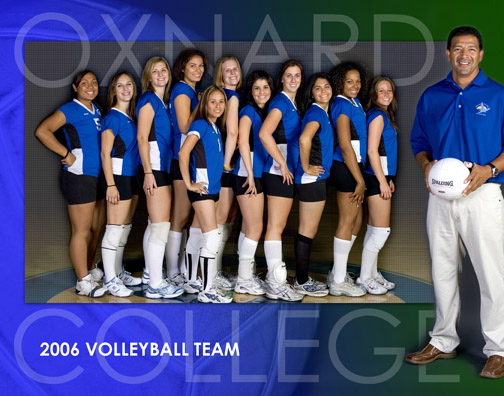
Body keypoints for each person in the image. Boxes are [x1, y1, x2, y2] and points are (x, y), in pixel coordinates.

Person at [407, 26, 504, 379]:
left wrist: (490, 168)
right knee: (443, 271)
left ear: (480, 55)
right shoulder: (432, 95)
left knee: (493, 274)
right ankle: (444, 340)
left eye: (472, 49)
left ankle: (498, 349)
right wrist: (426, 166)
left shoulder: (497, 95)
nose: (464, 54)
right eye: (457, 49)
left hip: (484, 195)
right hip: (441, 199)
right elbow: (419, 141)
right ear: (448, 54)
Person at [35, 70, 107, 298]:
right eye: (84, 82)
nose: (90, 86)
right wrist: (66, 153)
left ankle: (88, 269)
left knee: (97, 228)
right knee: (81, 231)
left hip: (99, 176)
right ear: (75, 88)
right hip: (79, 175)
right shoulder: (70, 109)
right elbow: (42, 131)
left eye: (94, 82)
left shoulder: (98, 110)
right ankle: (82, 282)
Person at [179, 86, 232, 303]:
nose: (218, 106)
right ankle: (208, 290)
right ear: (204, 104)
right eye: (213, 102)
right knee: (212, 236)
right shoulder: (200, 124)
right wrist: (189, 184)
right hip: (203, 190)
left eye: (221, 102)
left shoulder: (215, 127)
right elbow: (184, 152)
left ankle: (191, 280)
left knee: (197, 234)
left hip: (213, 189)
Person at [137, 57, 183, 299]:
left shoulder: (163, 103)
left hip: (161, 167)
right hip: (153, 168)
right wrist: (147, 171)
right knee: (160, 226)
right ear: (149, 76)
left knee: (153, 224)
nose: (160, 74)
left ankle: (149, 274)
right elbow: (142, 137)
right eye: (154, 71)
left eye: (163, 70)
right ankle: (156, 284)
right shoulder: (147, 100)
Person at [259, 59, 305, 301]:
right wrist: (283, 163)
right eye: (289, 75)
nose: (294, 79)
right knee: (275, 227)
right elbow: (265, 133)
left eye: (297, 75)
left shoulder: (291, 103)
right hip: (277, 173)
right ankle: (276, 284)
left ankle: (273, 279)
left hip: (284, 173)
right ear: (282, 79)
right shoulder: (279, 102)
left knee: (277, 227)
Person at [326, 61, 368, 297]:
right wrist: (359, 180)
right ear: (340, 83)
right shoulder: (341, 105)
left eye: (358, 81)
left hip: (356, 166)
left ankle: (337, 272)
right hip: (345, 168)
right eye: (349, 81)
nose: (355, 85)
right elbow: (344, 145)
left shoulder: (356, 102)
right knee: (347, 221)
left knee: (356, 221)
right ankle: (339, 281)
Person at [100, 71, 142, 297]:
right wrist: (110, 184)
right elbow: (105, 154)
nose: (125, 89)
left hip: (131, 177)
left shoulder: (130, 117)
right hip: (117, 177)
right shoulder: (112, 117)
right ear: (113, 90)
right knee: (114, 229)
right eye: (120, 86)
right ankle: (110, 279)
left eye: (129, 85)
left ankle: (116, 271)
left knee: (124, 228)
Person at [292, 73, 334, 297]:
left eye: (327, 86)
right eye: (318, 88)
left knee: (309, 230)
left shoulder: (323, 114)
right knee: (307, 230)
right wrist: (307, 166)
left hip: (316, 178)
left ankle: (302, 278)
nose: (324, 91)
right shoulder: (316, 112)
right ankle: (300, 281)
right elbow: (304, 139)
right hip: (311, 178)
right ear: (311, 93)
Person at [168, 49, 207, 293]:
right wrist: (201, 104)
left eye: (201, 66)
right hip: (179, 160)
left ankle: (183, 270)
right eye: (192, 65)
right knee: (180, 217)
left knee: (189, 218)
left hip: (192, 162)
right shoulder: (182, 90)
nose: (198, 70)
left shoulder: (191, 91)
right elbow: (184, 126)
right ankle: (172, 272)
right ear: (182, 68)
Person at [231, 70, 273, 295]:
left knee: (249, 227)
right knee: (256, 228)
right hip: (247, 175)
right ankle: (244, 280)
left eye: (265, 87)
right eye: (256, 88)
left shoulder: (264, 112)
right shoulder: (247, 111)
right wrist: (249, 173)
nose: (261, 92)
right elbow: (242, 141)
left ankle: (244, 275)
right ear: (251, 91)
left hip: (257, 174)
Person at [356, 76, 398, 295]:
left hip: (381, 176)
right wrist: (382, 181)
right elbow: (372, 151)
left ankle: (371, 274)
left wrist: (387, 179)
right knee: (381, 232)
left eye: (389, 90)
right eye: (381, 91)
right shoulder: (377, 116)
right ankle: (364, 278)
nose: (386, 94)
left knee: (374, 229)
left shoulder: (383, 115)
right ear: (373, 95)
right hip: (375, 177)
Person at [211, 56, 243, 290]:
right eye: (227, 70)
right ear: (220, 75)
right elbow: (232, 133)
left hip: (227, 163)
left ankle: (217, 269)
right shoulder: (229, 97)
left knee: (228, 218)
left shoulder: (228, 96)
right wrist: (226, 163)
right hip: (224, 164)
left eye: (235, 69)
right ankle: (210, 273)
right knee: (220, 220)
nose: (232, 73)